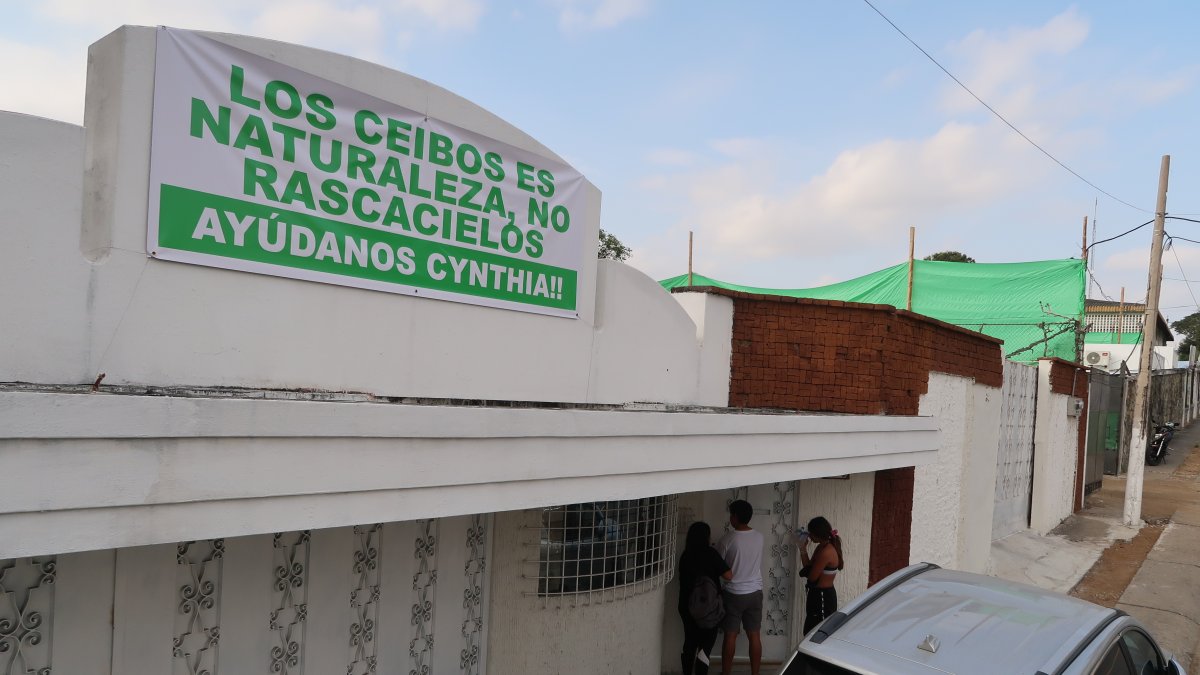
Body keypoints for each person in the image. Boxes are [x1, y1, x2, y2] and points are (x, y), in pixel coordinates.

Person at [715, 499, 764, 675]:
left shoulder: (728, 539)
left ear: (735, 516)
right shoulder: (759, 537)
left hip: (734, 594)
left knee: (730, 635)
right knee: (755, 635)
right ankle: (755, 673)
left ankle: (726, 673)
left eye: (731, 514)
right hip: (755, 593)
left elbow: (719, 565)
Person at [678, 521, 732, 675]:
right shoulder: (711, 553)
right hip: (709, 608)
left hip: (687, 606)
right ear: (706, 537)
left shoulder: (685, 555)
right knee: (705, 646)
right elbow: (729, 575)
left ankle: (687, 672)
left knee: (689, 641)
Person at [797, 516, 843, 634]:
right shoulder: (821, 547)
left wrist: (806, 572)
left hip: (823, 597)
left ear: (817, 533)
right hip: (816, 595)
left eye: (811, 533)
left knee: (817, 633)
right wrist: (802, 548)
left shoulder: (826, 551)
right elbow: (808, 565)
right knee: (809, 632)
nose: (810, 537)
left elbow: (812, 577)